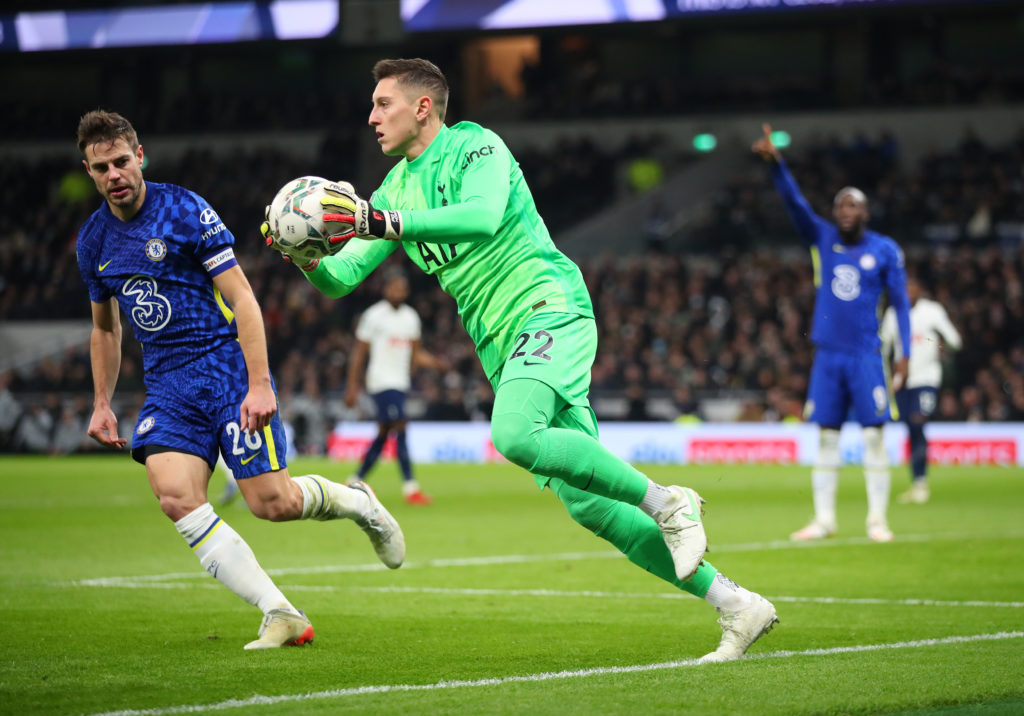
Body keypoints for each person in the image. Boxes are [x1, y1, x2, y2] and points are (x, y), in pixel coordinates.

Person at [263, 58, 777, 662]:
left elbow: (480, 218)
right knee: (592, 506)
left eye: (383, 104)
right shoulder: (393, 188)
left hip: (547, 307)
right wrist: (301, 252)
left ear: (422, 107)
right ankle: (738, 606)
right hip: (501, 345)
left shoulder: (477, 146)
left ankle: (669, 501)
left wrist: (383, 221)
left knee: (513, 432)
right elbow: (342, 279)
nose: (372, 117)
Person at [75, 110, 405, 650]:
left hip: (224, 368)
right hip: (167, 385)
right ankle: (280, 611)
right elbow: (105, 329)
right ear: (88, 171)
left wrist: (259, 383)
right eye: (100, 167)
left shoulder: (184, 209)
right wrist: (101, 401)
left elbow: (243, 298)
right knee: (176, 497)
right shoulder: (92, 241)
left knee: (271, 503)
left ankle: (359, 504)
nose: (113, 174)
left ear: (140, 157)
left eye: (120, 161)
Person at [752, 123, 911, 543]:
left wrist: (906, 353)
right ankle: (824, 519)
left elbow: (901, 305)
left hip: (866, 356)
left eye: (852, 206)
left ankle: (878, 520)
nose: (844, 211)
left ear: (866, 213)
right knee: (826, 437)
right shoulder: (822, 237)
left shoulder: (884, 250)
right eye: (840, 205)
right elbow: (795, 203)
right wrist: (776, 164)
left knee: (875, 436)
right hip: (828, 356)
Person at [345, 271, 445, 504]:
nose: (398, 293)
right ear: (386, 290)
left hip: (400, 383)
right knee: (400, 426)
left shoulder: (411, 317)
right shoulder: (374, 315)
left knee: (384, 433)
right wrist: (352, 387)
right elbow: (359, 353)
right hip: (380, 381)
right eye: (394, 288)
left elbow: (417, 354)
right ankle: (411, 488)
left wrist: (437, 363)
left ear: (406, 292)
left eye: (402, 289)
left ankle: (354, 480)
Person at [880, 276, 961, 504]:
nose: (907, 292)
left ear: (920, 289)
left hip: (926, 378)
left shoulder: (932, 311)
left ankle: (921, 483)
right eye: (903, 288)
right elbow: (884, 348)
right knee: (910, 429)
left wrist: (938, 341)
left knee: (918, 422)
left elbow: (955, 341)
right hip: (902, 381)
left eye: (911, 287)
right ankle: (917, 483)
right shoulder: (893, 314)